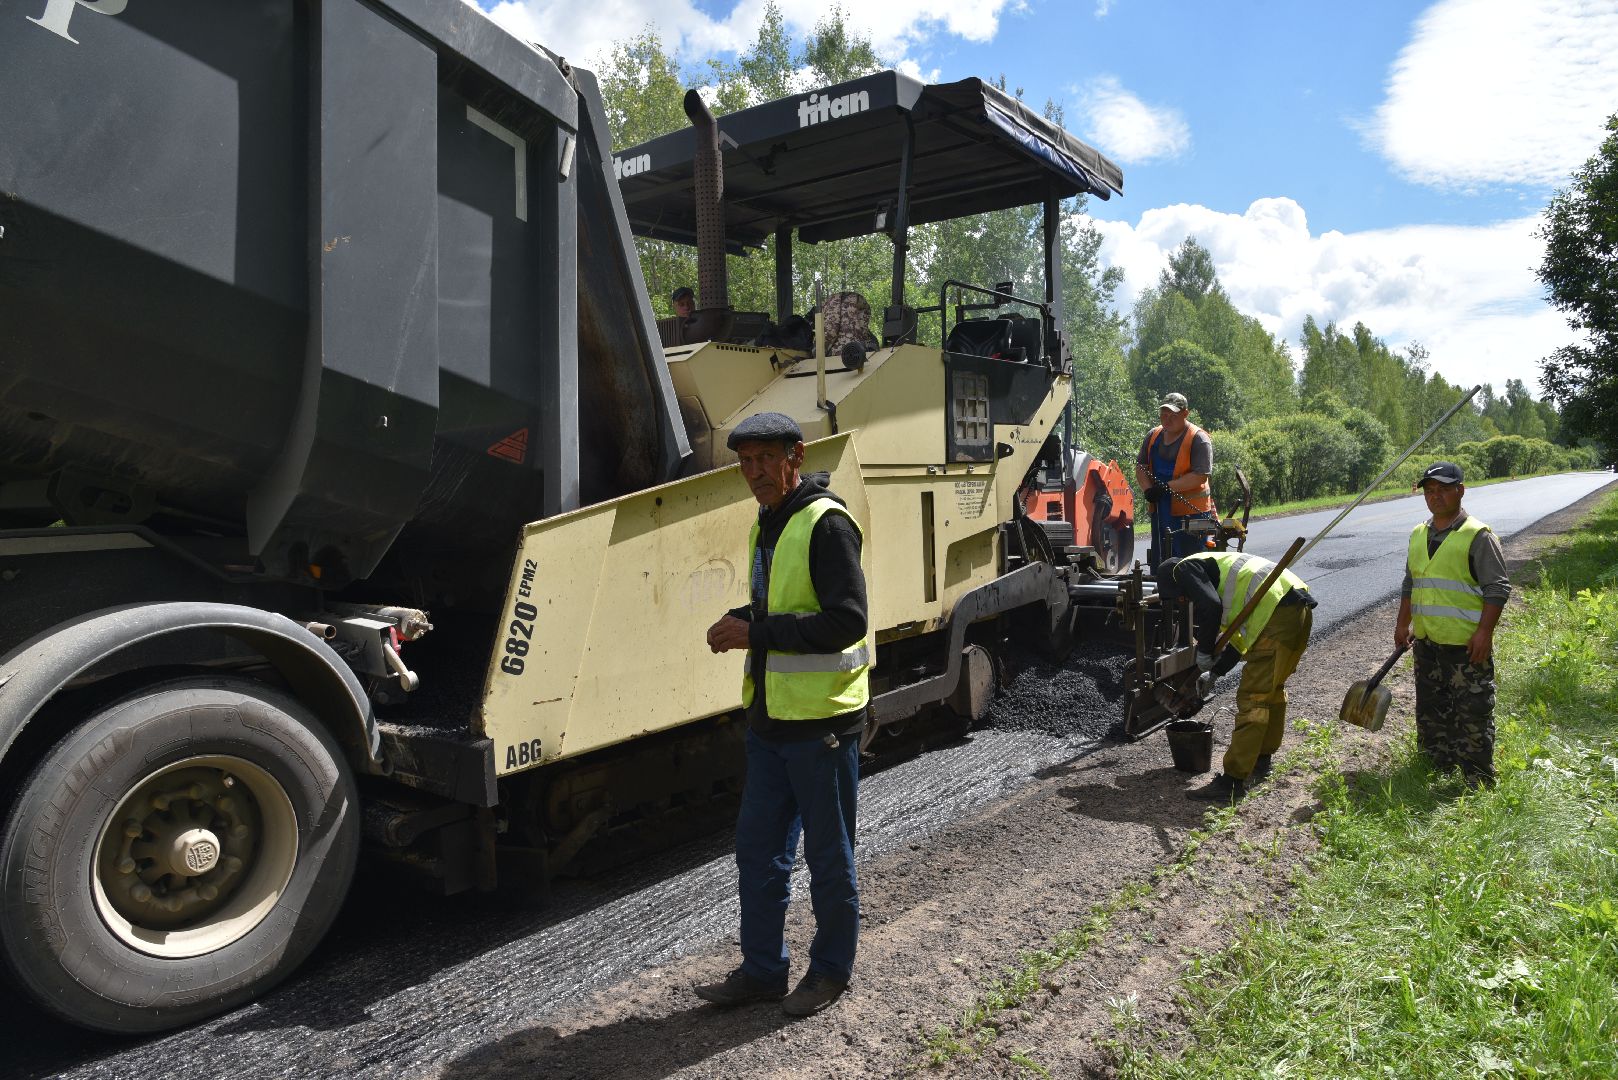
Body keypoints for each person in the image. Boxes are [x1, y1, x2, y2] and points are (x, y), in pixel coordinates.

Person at [696, 411, 871, 1018]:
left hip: (822, 727)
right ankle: (763, 971)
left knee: (828, 856)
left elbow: (847, 621)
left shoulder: (827, 524)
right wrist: (742, 618)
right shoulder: (769, 522)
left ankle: (831, 971)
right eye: (746, 462)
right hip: (771, 724)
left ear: (796, 456)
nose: (755, 472)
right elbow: (783, 606)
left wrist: (758, 632)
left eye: (766, 459)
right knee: (758, 853)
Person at [1163, 550, 1317, 802]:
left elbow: (1210, 607)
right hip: (1295, 610)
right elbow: (1241, 639)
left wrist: (1204, 652)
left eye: (1182, 597)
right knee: (1272, 690)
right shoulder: (1223, 578)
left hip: (1277, 615)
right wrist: (1215, 673)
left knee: (1253, 699)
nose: (1186, 600)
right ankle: (1261, 761)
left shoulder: (1182, 568)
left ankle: (1232, 782)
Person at [1394, 461, 1509, 786]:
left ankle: (1478, 779)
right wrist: (1402, 624)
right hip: (1427, 642)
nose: (1436, 496)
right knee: (1431, 709)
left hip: (1466, 645)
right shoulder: (1418, 534)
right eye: (1430, 491)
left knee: (1472, 711)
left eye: (1444, 489)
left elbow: (1497, 588)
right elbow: (1411, 582)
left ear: (1460, 491)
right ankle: (1434, 767)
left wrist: (1484, 632)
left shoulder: (1478, 536)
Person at [1135, 393, 1214, 570]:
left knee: (1191, 565)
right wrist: (1148, 489)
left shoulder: (1199, 439)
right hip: (1161, 511)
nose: (1167, 420)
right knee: (1162, 560)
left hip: (1192, 515)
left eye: (1173, 415)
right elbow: (1141, 467)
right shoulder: (1153, 436)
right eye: (1164, 415)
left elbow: (1200, 475)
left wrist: (1166, 488)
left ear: (1185, 413)